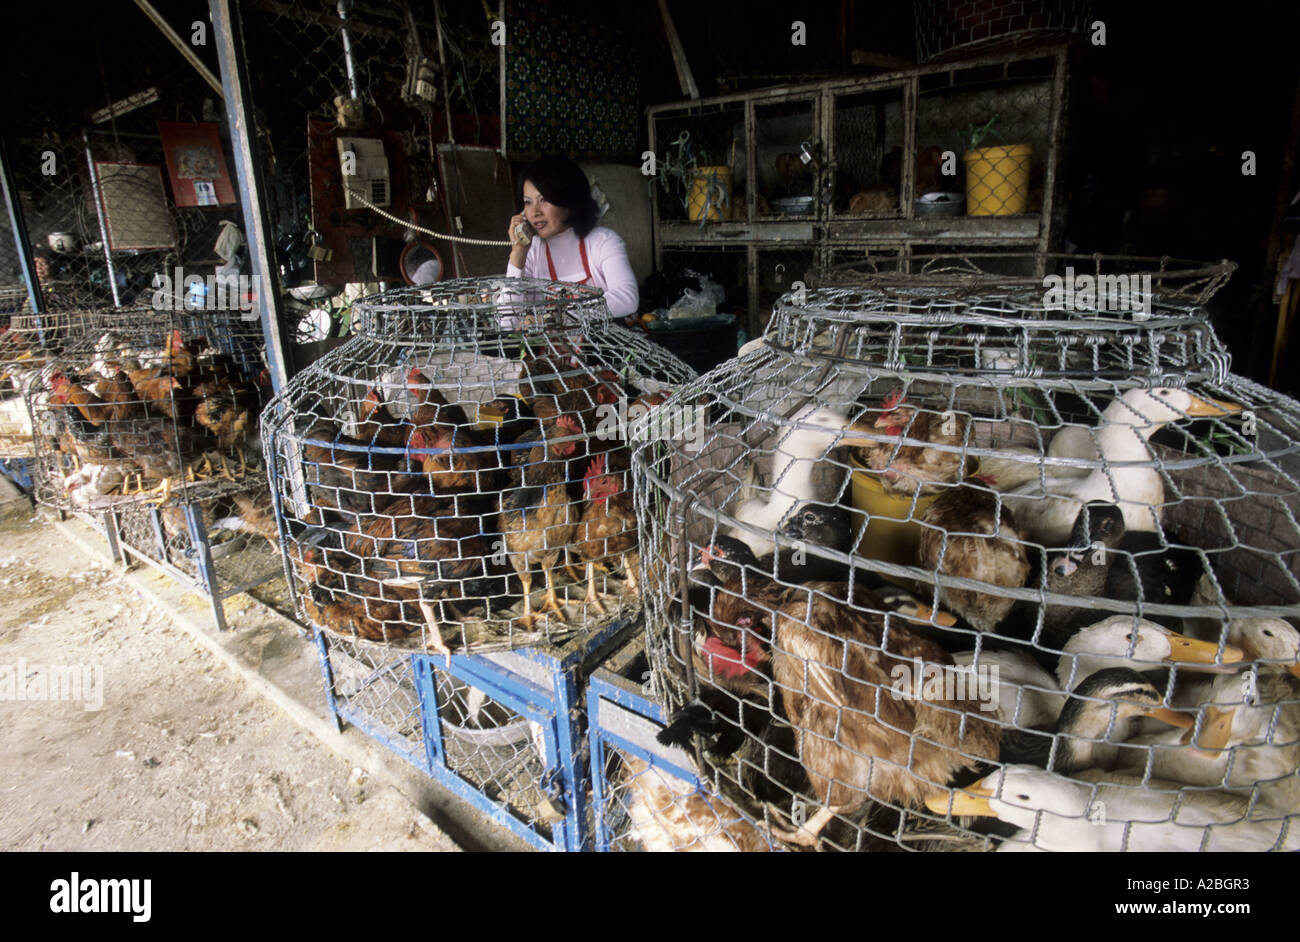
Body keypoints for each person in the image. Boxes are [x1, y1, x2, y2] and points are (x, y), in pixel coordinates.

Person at [505, 155, 639, 317]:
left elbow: (627, 298)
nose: (534, 212)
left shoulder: (603, 241)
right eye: (528, 202)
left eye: (544, 200)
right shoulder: (532, 252)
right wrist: (517, 257)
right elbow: (507, 320)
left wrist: (560, 316)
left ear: (569, 200)